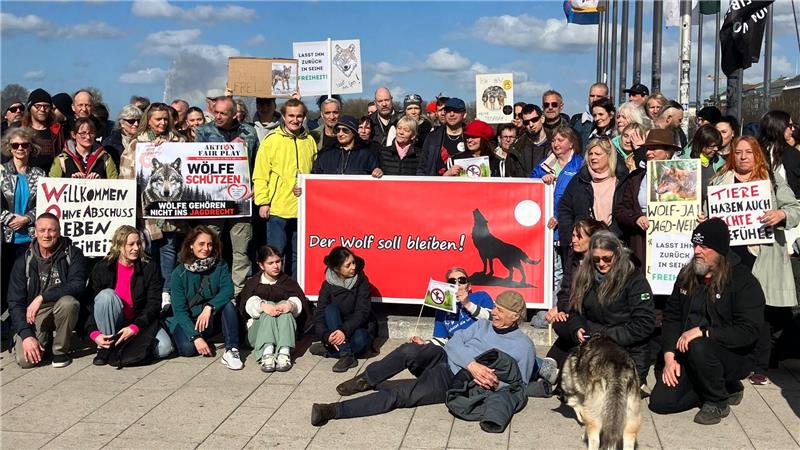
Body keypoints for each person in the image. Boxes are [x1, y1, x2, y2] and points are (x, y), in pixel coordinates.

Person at [310, 291, 535, 427]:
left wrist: (488, 380)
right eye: (495, 307)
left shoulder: (523, 347)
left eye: (500, 310)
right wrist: (472, 363)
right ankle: (366, 379)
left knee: (400, 394)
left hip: (454, 379)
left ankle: (333, 411)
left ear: (515, 317)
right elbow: (455, 342)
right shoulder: (483, 324)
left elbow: (517, 384)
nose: (494, 312)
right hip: (447, 358)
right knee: (409, 350)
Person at [649, 219, 765, 425]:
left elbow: (748, 331)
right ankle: (722, 387)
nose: (697, 251)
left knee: (699, 345)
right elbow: (672, 317)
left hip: (731, 354)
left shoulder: (743, 281)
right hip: (688, 353)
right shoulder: (687, 276)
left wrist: (705, 332)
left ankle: (717, 400)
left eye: (704, 246)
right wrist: (669, 357)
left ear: (720, 251)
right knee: (660, 403)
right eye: (695, 245)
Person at [706, 136, 800, 385]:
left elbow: (795, 208)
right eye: (738, 152)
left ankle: (760, 365)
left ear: (757, 154)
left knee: (760, 310)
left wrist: (780, 214)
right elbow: (708, 212)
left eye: (749, 152)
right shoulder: (718, 181)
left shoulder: (770, 181)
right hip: (730, 255)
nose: (743, 156)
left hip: (762, 253)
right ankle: (733, 359)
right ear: (732, 155)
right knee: (729, 307)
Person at [552, 231, 655, 386]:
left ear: (617, 254)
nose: (601, 263)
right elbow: (575, 310)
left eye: (607, 258)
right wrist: (577, 327)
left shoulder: (634, 280)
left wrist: (604, 335)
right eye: (596, 259)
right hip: (593, 345)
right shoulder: (584, 276)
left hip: (625, 349)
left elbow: (644, 324)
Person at [123, 103, 187, 307]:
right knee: (147, 253)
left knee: (169, 251)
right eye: (157, 119)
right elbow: (126, 174)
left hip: (173, 212)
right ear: (148, 121)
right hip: (146, 211)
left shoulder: (180, 142)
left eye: (165, 118)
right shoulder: (137, 144)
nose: (162, 122)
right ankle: (149, 295)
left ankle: (166, 294)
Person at [194, 96, 258, 296]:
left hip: (241, 200)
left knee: (241, 250)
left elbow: (256, 163)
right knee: (208, 246)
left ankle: (239, 294)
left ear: (234, 114)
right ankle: (207, 289)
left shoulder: (249, 132)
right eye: (216, 112)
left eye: (224, 113)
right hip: (212, 201)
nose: (218, 116)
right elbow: (195, 163)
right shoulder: (203, 132)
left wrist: (255, 185)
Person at [7, 213, 87, 368]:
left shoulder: (73, 253)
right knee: (27, 361)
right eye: (42, 230)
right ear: (35, 232)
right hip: (34, 314)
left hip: (60, 306)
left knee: (69, 303)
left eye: (51, 230)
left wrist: (42, 297)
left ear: (59, 232)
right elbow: (15, 302)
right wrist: (26, 336)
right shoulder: (23, 260)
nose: (47, 235)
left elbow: (78, 285)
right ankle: (44, 340)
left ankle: (60, 351)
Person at [87, 225, 174, 365]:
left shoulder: (149, 266)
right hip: (113, 322)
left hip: (139, 321)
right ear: (119, 246)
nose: (136, 248)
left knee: (165, 348)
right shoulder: (102, 267)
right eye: (131, 244)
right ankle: (106, 347)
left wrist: (135, 327)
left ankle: (124, 346)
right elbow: (90, 304)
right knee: (105, 296)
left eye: (139, 243)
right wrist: (94, 333)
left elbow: (154, 303)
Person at [253, 98, 317, 279]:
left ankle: (295, 290)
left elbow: (313, 173)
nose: (295, 120)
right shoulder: (271, 140)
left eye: (299, 116)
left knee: (299, 254)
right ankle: (274, 289)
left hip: (302, 208)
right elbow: (260, 173)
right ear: (283, 116)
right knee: (276, 255)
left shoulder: (309, 141)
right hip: (277, 208)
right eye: (291, 116)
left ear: (304, 117)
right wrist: (263, 202)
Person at [166, 226, 243, 369]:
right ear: (191, 245)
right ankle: (199, 337)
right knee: (188, 349)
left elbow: (228, 290)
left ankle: (231, 349)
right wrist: (195, 337)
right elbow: (180, 310)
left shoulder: (220, 265)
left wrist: (210, 306)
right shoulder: (179, 273)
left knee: (228, 305)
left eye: (209, 244)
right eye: (201, 244)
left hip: (210, 316)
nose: (205, 248)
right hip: (188, 319)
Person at [615, 129, 681, 271]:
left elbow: (691, 208)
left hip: (674, 247)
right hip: (643, 245)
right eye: (647, 149)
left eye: (654, 149)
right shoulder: (636, 178)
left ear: (668, 152)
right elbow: (621, 210)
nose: (648, 153)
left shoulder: (685, 177)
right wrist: (636, 218)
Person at [239, 245, 311, 373]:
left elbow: (299, 303)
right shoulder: (253, 284)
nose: (275, 266)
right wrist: (263, 306)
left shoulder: (288, 283)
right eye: (270, 263)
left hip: (284, 334)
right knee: (269, 307)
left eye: (278, 261)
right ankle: (267, 352)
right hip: (257, 334)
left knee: (285, 305)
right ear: (261, 265)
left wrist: (290, 306)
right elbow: (247, 306)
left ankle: (284, 352)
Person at [1, 128, 47, 313]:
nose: (20, 148)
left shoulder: (40, 174)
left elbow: (45, 204)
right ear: (9, 148)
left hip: (29, 239)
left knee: (25, 283)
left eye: (24, 145)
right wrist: (10, 218)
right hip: (4, 238)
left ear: (31, 148)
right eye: (15, 145)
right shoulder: (1, 172)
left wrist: (27, 218)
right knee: (3, 281)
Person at [532, 126, 585, 287]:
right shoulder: (543, 166)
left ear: (571, 143)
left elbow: (578, 197)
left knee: (567, 272)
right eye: (553, 140)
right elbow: (528, 186)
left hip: (568, 226)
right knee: (552, 272)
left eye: (561, 140)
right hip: (546, 227)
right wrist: (541, 179)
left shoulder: (579, 165)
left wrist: (560, 217)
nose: (556, 144)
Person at [311, 247, 377, 373]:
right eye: (348, 265)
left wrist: (343, 331)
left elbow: (363, 312)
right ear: (337, 269)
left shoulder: (362, 281)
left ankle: (331, 351)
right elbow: (319, 314)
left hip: (355, 327)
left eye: (353, 262)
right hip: (334, 327)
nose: (353, 267)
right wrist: (326, 336)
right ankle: (346, 355)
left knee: (362, 339)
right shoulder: (327, 285)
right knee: (330, 309)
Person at [557, 138, 626, 248]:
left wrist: (612, 236)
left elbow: (626, 211)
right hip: (583, 244)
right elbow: (565, 209)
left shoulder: (622, 181)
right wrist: (570, 236)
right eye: (590, 154)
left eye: (598, 154)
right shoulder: (578, 180)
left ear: (609, 156)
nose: (593, 157)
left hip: (615, 242)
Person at [410, 267, 493, 347]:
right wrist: (425, 343)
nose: (457, 284)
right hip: (459, 348)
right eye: (452, 281)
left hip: (482, 343)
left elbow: (492, 319)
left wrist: (467, 304)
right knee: (407, 349)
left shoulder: (480, 296)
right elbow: (441, 340)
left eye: (462, 280)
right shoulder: (443, 308)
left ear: (469, 286)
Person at [545, 218, 607, 324]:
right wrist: (562, 309)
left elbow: (590, 298)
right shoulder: (573, 256)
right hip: (571, 309)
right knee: (549, 319)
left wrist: (565, 310)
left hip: (591, 314)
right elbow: (565, 289)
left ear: (592, 239)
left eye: (579, 237)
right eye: (573, 236)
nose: (574, 240)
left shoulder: (601, 262)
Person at [49, 117, 118, 179]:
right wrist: (70, 181)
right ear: (73, 135)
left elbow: (115, 184)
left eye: (91, 133)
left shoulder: (106, 158)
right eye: (83, 133)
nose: (88, 137)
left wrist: (100, 182)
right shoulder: (61, 159)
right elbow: (51, 186)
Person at [312, 115, 380, 175]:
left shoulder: (367, 155)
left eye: (345, 130)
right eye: (338, 130)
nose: (340, 134)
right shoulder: (325, 154)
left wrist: (378, 171)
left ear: (353, 133)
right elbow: (314, 177)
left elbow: (376, 180)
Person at [417, 98, 467, 176]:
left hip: (466, 186)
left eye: (456, 111)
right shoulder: (432, 137)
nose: (451, 114)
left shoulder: (471, 136)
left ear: (464, 115)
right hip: (437, 186)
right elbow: (422, 167)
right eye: (448, 110)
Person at [20, 88, 64, 171]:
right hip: (27, 176)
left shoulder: (58, 131)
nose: (42, 110)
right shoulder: (21, 131)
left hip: (52, 179)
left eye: (46, 106)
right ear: (30, 107)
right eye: (38, 106)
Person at [758, 110, 800, 197]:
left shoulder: (793, 154)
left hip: (790, 205)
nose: (793, 129)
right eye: (790, 125)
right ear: (778, 126)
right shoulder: (755, 152)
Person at [507, 104, 549, 177]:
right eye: (526, 122)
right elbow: (509, 178)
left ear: (542, 119)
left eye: (534, 120)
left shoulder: (555, 144)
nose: (531, 124)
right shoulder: (516, 148)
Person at [100, 104, 142, 169]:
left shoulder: (145, 140)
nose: (136, 124)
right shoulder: (110, 143)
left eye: (139, 121)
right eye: (131, 121)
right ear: (122, 123)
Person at [686, 125, 722, 198]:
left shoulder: (719, 164)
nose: (716, 149)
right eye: (712, 146)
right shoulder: (686, 164)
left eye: (717, 145)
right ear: (701, 144)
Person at [571, 82, 608, 150]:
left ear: (607, 98)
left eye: (599, 96)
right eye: (592, 96)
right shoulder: (577, 122)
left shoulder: (614, 123)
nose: (594, 99)